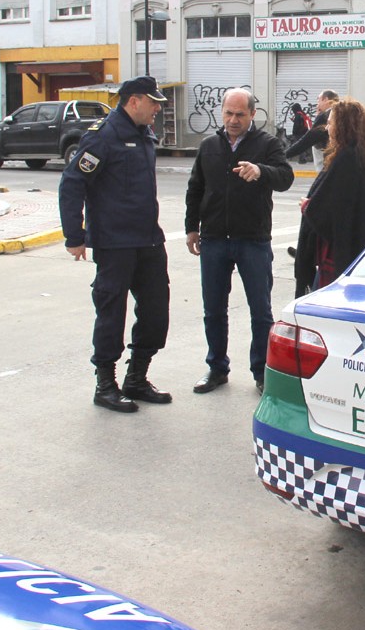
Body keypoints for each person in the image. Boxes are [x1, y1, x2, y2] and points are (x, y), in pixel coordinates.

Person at [58, 76, 173, 413]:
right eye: (153, 102)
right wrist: (74, 236)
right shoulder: (104, 137)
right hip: (115, 243)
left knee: (155, 311)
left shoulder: (144, 134)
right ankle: (105, 385)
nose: (157, 108)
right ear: (134, 101)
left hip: (148, 240)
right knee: (111, 313)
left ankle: (136, 377)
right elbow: (72, 184)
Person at [186, 88, 294, 395]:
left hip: (253, 240)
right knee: (213, 309)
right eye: (228, 114)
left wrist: (260, 171)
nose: (233, 120)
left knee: (260, 311)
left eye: (240, 115)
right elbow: (196, 188)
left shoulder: (268, 144)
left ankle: (262, 372)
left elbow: (285, 177)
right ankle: (217, 368)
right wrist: (191, 228)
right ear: (222, 112)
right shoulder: (209, 145)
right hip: (215, 240)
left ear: (252, 115)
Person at [293, 97, 365, 295]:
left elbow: (328, 213)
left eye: (330, 123)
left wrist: (307, 206)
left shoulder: (346, 159)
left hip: (341, 256)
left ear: (343, 127)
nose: (327, 128)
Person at [284, 89, 338, 171]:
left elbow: (307, 140)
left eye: (319, 100)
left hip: (329, 164)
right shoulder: (341, 113)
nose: (317, 104)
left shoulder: (325, 116)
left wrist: (284, 155)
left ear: (326, 99)